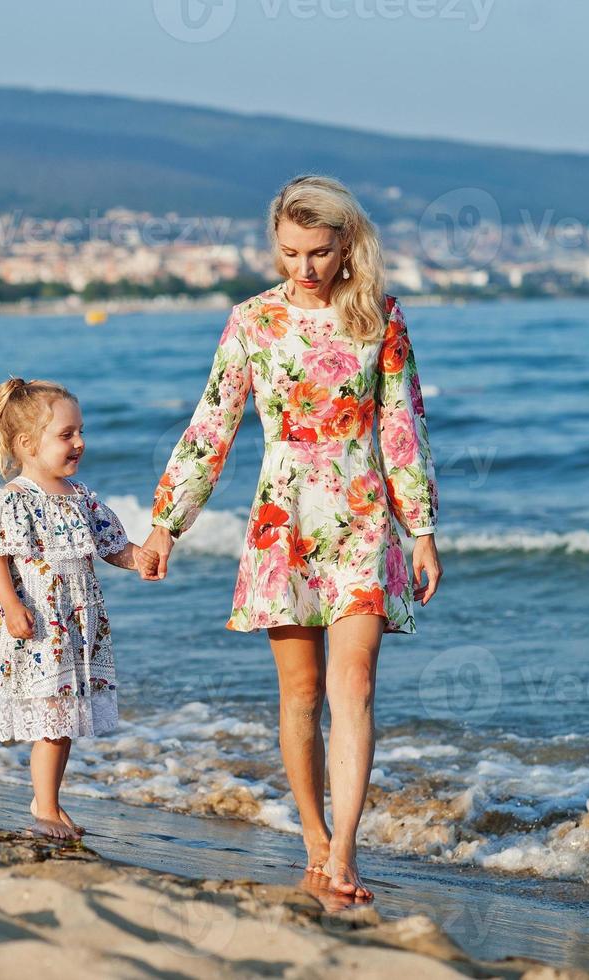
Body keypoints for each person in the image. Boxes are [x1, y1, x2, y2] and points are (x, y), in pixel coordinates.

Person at [142, 174, 443, 899]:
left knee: (355, 683)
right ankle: (311, 833)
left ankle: (343, 853)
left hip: (363, 516)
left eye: (317, 251)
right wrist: (165, 525)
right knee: (301, 691)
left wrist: (422, 530)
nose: (303, 268)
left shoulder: (381, 317)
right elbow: (211, 423)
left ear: (347, 244)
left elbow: (404, 429)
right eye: (289, 252)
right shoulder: (252, 320)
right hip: (285, 520)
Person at [0, 378, 159, 840]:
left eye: (81, 431)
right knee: (53, 721)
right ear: (27, 444)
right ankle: (46, 808)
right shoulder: (15, 498)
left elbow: (111, 545)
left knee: (65, 720)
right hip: (39, 624)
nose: (80, 442)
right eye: (67, 434)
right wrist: (11, 605)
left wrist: (140, 559)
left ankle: (47, 799)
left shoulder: (81, 495)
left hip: (77, 623)